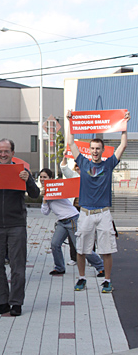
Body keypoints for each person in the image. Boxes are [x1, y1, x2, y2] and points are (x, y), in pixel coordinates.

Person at [66, 109, 131, 293]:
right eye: (92, 148)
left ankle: (107, 281)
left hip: (103, 213)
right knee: (81, 249)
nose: (95, 151)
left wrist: (124, 126)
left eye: (98, 149)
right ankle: (81, 278)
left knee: (106, 249)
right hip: (85, 212)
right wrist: (71, 121)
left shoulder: (108, 164)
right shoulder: (84, 163)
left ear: (102, 150)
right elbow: (71, 142)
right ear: (90, 150)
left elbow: (123, 145)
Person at [0, 139, 39, 316]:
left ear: (13, 153)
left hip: (16, 225)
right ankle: (2, 302)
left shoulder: (21, 171)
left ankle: (16, 302)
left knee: (18, 266)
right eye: (0, 151)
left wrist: (28, 180)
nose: (3, 154)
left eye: (6, 151)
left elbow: (35, 194)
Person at [39, 167, 104, 276]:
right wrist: (45, 199)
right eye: (40, 177)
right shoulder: (46, 192)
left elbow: (67, 190)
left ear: (51, 178)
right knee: (55, 244)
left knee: (81, 247)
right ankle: (59, 268)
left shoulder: (57, 187)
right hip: (62, 222)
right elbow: (44, 212)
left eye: (44, 177)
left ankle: (101, 267)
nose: (42, 179)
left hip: (72, 219)